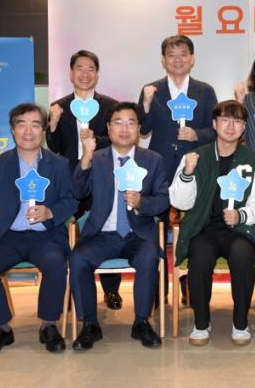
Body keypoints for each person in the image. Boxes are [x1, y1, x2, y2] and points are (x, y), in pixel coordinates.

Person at [0, 103, 77, 357]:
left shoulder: (59, 164)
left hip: (45, 236)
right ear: (13, 130)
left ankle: (49, 325)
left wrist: (50, 212)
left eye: (35, 125)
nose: (28, 131)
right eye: (21, 125)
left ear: (43, 130)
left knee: (55, 263)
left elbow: (71, 200)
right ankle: (1, 328)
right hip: (8, 235)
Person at [69, 102, 168, 350]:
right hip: (103, 234)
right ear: (108, 128)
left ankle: (141, 321)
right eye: (118, 122)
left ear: (139, 129)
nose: (124, 129)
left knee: (148, 256)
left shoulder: (152, 160)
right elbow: (78, 191)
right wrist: (86, 158)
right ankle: (90, 324)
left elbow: (163, 199)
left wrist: (142, 202)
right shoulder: (97, 159)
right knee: (78, 259)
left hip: (138, 233)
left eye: (131, 123)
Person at [169, 100, 255, 346]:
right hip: (204, 229)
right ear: (214, 124)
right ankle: (201, 323)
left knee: (242, 256)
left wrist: (242, 215)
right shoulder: (195, 156)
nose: (230, 126)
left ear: (244, 127)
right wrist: (187, 173)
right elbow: (180, 202)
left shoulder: (253, 160)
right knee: (200, 259)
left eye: (237, 121)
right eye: (225, 120)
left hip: (238, 230)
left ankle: (240, 323)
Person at [45, 49, 123, 311]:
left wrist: (94, 140)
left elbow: (118, 140)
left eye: (90, 69)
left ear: (97, 74)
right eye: (79, 68)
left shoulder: (111, 106)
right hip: (70, 180)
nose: (85, 74)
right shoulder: (59, 107)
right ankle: (71, 290)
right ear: (71, 73)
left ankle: (111, 290)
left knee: (106, 230)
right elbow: (55, 146)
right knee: (69, 232)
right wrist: (52, 125)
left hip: (102, 178)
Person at [138, 34, 218, 184]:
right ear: (163, 60)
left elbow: (215, 130)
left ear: (192, 58)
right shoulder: (151, 90)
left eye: (183, 54)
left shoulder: (206, 91)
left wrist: (196, 135)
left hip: (195, 161)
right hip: (160, 163)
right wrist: (146, 105)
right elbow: (143, 130)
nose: (177, 60)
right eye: (171, 55)